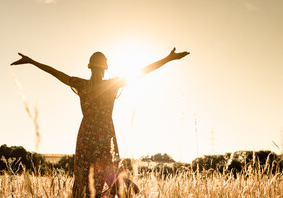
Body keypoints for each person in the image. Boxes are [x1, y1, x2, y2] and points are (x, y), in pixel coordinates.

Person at [11, 47, 189, 197]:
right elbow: (142, 71)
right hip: (106, 134)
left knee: (83, 179)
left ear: (89, 67)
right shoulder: (112, 84)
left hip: (86, 135)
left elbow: (54, 72)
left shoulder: (81, 84)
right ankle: (122, 184)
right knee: (109, 174)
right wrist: (168, 58)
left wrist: (32, 61)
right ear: (106, 67)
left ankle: (118, 185)